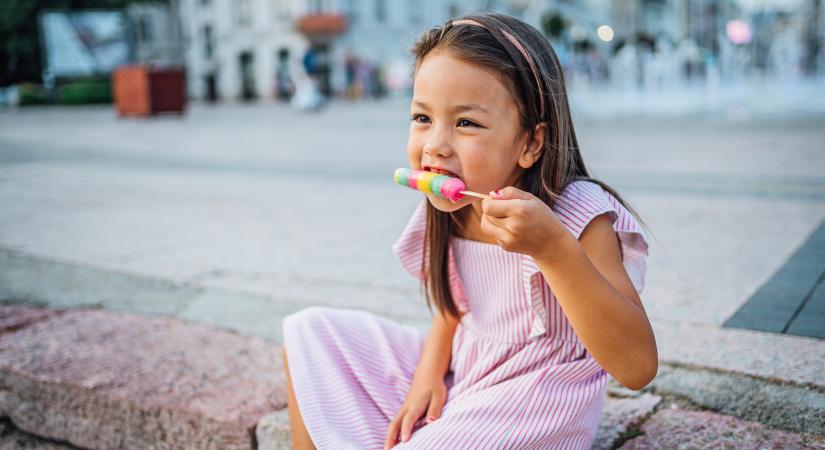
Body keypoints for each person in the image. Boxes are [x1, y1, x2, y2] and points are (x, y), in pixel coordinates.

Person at [280, 13, 657, 449]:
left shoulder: (578, 214)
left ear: (531, 143)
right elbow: (453, 306)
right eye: (422, 117)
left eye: (466, 123)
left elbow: (637, 365)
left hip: (534, 398)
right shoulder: (448, 205)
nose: (435, 145)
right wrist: (427, 373)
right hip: (466, 369)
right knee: (310, 332)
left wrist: (553, 249)